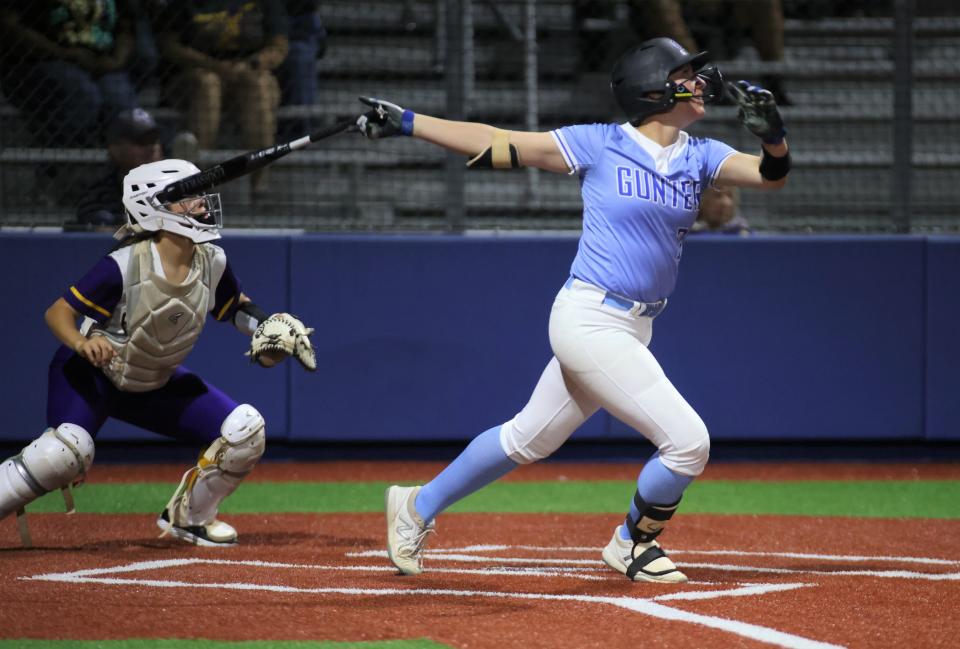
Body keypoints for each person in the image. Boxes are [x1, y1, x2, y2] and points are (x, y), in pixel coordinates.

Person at [356, 38, 790, 582]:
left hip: (635, 324)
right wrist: (409, 122)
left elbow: (772, 177)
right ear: (652, 87)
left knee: (527, 438)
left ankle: (415, 505)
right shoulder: (602, 144)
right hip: (588, 317)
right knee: (688, 444)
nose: (699, 82)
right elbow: (499, 143)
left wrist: (773, 137)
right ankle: (632, 543)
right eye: (684, 74)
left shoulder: (700, 155)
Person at [0, 159, 317, 548]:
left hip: (153, 381)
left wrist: (269, 332)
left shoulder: (211, 260)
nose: (201, 202)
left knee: (246, 431)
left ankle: (191, 519)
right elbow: (58, 313)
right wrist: (83, 343)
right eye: (187, 196)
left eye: (199, 192)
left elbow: (235, 309)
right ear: (154, 207)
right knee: (61, 453)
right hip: (91, 375)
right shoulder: (123, 264)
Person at [156, 0, 290, 196]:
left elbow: (279, 47)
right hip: (194, 76)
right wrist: (213, 65)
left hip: (247, 74)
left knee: (258, 84)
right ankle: (201, 179)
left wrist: (249, 65)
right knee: (207, 83)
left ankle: (260, 178)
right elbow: (170, 46)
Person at [0, 1, 140, 148]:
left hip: (101, 61)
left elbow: (126, 27)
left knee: (121, 101)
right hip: (41, 60)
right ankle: (64, 160)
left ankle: (116, 165)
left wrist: (117, 60)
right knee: (84, 95)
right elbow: (10, 26)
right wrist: (63, 53)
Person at [74, 108, 164, 229]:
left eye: (154, 140)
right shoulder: (99, 191)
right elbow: (97, 230)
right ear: (116, 148)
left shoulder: (176, 185)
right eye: (142, 141)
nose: (151, 147)